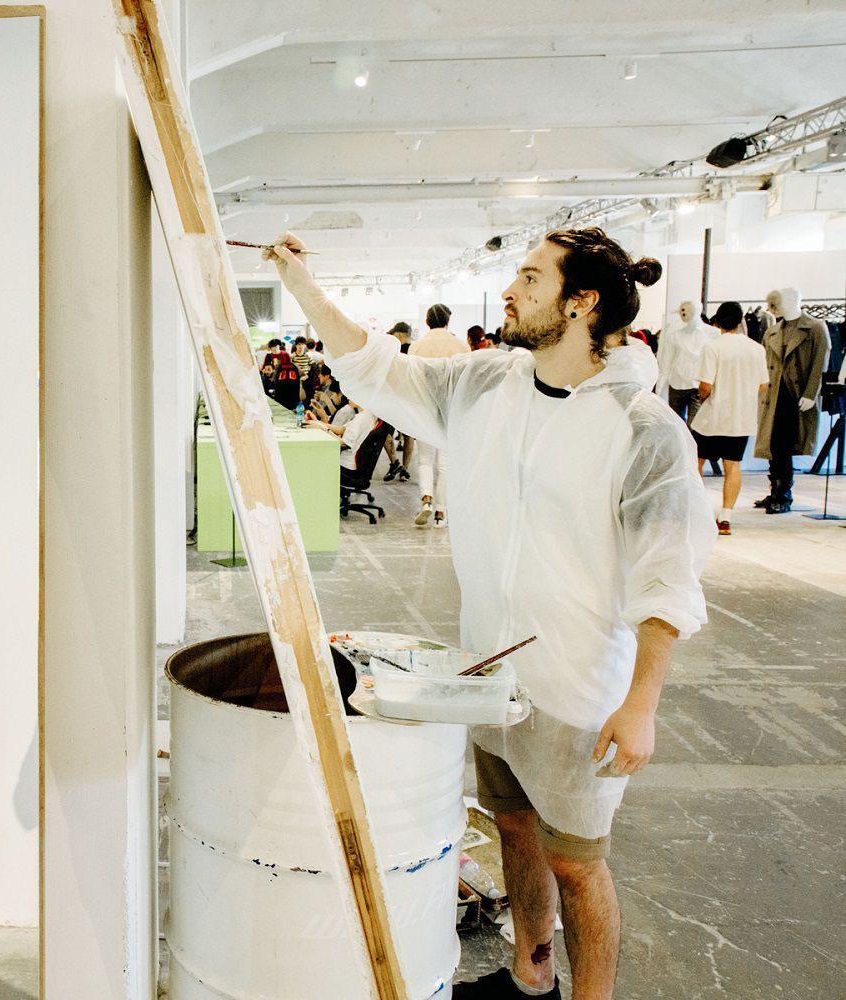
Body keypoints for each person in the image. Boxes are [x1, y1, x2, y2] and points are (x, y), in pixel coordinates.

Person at [268, 226, 712, 1000]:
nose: (509, 290)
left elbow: (666, 580)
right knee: (513, 826)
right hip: (488, 676)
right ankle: (531, 976)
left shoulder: (643, 430)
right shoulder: (484, 384)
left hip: (578, 691)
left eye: (531, 279)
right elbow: (379, 369)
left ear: (581, 303)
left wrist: (642, 703)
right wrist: (304, 286)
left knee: (576, 860)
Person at [689, 302, 769, 537]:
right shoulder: (756, 349)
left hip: (712, 417)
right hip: (740, 418)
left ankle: (698, 511)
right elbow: (763, 385)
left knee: (696, 462)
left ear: (717, 322)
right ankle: (725, 517)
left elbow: (705, 385)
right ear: (740, 320)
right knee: (732, 465)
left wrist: (704, 398)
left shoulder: (713, 347)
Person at [754, 287, 830, 514]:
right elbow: (765, 364)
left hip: (795, 396)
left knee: (784, 445)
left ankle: (783, 494)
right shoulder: (773, 331)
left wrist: (810, 393)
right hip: (773, 395)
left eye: (778, 302)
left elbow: (819, 364)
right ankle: (775, 491)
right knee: (773, 445)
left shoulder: (815, 327)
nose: (774, 306)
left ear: (794, 300)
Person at [408, 303, 470, 528]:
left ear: (427, 322)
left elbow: (412, 379)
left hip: (424, 406)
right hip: (450, 408)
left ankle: (426, 499)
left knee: (425, 459)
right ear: (448, 321)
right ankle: (441, 513)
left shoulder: (417, 346)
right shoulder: (461, 345)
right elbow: (466, 380)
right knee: (445, 463)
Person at [655, 301, 715, 425]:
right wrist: (659, 386)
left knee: (695, 425)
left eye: (688, 310)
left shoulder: (711, 334)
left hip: (697, 386)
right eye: (682, 310)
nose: (684, 313)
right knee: (677, 425)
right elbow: (667, 362)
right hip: (677, 385)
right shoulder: (674, 334)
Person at [380, 322, 415, 482]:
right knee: (408, 435)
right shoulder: (415, 350)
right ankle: (403, 469)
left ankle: (395, 463)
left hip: (392, 397)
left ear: (399, 335)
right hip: (410, 398)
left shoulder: (393, 350)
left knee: (384, 432)